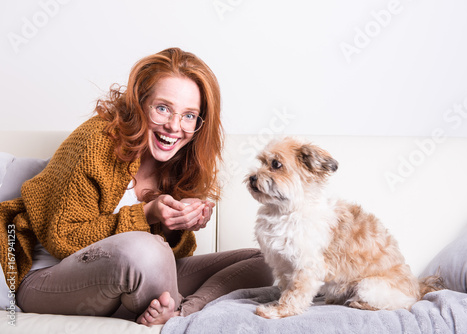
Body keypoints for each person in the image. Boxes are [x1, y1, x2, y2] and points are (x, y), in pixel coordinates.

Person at [0, 47, 273, 326]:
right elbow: (63, 238)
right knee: (145, 251)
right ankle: (173, 310)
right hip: (46, 279)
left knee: (268, 261)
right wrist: (147, 215)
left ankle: (184, 314)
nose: (174, 126)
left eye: (189, 115)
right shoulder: (96, 141)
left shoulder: (180, 160)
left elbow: (166, 262)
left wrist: (176, 224)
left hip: (130, 275)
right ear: (140, 103)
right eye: (163, 108)